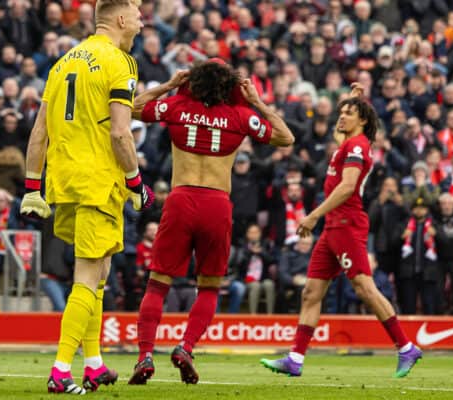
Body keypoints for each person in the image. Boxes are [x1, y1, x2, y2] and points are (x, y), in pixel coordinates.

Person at [128, 59, 294, 384]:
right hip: (216, 203)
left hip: (180, 198)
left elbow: (130, 110)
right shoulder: (240, 116)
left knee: (158, 283)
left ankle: (145, 355)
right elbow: (285, 138)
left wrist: (167, 85)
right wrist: (256, 101)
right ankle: (186, 347)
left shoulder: (176, 105)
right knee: (210, 286)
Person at [18, 0, 154, 394]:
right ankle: (61, 370)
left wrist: (32, 187)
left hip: (66, 181)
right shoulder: (120, 62)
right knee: (87, 276)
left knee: (100, 275)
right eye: (140, 16)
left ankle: (93, 364)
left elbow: (39, 131)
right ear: (122, 19)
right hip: (99, 181)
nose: (143, 23)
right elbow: (120, 133)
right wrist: (136, 183)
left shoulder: (62, 63)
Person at [261, 84, 423, 379]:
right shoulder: (349, 143)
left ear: (361, 121)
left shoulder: (357, 147)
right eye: (341, 112)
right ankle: (295, 358)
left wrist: (312, 215)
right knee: (311, 292)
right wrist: (355, 97)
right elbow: (352, 126)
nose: (341, 117)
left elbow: (348, 187)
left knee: (365, 288)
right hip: (333, 227)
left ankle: (406, 347)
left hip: (346, 225)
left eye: (348, 113)